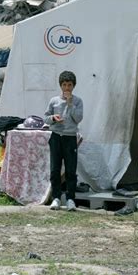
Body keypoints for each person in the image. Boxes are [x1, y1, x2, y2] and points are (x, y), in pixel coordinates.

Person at [44, 70, 83, 211]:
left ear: (74, 86)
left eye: (70, 85)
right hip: (56, 136)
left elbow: (78, 118)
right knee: (55, 169)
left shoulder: (78, 101)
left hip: (70, 137)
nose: (67, 88)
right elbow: (46, 118)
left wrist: (70, 103)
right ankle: (56, 198)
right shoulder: (54, 101)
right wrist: (53, 118)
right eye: (65, 85)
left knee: (71, 170)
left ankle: (71, 199)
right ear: (61, 85)